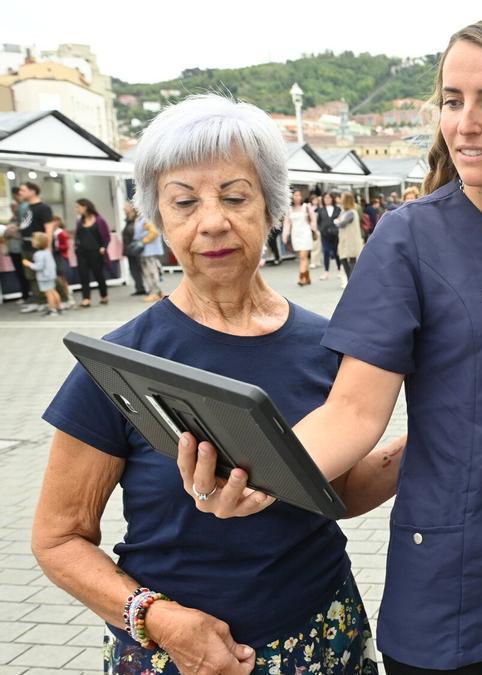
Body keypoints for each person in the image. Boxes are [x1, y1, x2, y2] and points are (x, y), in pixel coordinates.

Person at [180, 16, 482, 674]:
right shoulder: (410, 240)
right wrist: (260, 473)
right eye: (451, 101)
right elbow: (355, 411)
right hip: (451, 585)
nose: (464, 122)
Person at [32, 94, 388, 674]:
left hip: (323, 631)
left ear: (272, 207)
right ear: (160, 222)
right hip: (175, 651)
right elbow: (58, 540)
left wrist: (434, 441)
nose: (213, 221)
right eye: (184, 202)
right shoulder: (121, 360)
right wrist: (160, 620)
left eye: (234, 196)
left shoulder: (328, 345)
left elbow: (337, 494)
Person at [18, 181, 52, 308]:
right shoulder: (27, 208)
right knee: (31, 275)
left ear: (32, 191)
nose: (20, 193)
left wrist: (48, 248)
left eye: (23, 190)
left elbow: (49, 228)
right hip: (26, 245)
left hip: (39, 247)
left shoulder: (43, 208)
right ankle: (39, 300)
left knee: (44, 274)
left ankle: (51, 301)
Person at [74, 198, 112, 307]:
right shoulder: (79, 221)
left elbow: (106, 237)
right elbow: (77, 236)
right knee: (83, 276)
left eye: (78, 207)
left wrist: (103, 247)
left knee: (98, 275)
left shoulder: (99, 220)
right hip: (82, 253)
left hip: (96, 252)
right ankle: (86, 299)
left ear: (85, 206)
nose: (76, 209)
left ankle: (104, 296)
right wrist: (76, 247)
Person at [22, 231, 61, 316]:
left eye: (33, 240)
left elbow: (39, 267)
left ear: (37, 243)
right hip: (51, 275)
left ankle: (52, 309)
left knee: (48, 293)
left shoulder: (38, 254)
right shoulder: (48, 252)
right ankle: (58, 307)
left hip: (44, 277)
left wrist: (28, 264)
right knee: (53, 291)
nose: (32, 242)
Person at [282, 189, 316, 285]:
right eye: (296, 195)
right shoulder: (289, 210)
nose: (297, 197)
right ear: (292, 197)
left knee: (303, 257)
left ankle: (301, 278)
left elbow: (313, 220)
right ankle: (308, 278)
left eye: (299, 195)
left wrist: (313, 229)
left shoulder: (306, 207)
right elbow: (287, 224)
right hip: (295, 235)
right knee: (303, 257)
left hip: (305, 234)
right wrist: (285, 235)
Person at [133, 213, 164, 302]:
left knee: (151, 272)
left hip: (149, 251)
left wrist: (143, 241)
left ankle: (154, 293)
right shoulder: (140, 218)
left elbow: (154, 232)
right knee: (150, 272)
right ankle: (158, 292)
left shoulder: (145, 219)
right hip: (146, 251)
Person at [334, 192, 363, 283]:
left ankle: (352, 281)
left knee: (351, 260)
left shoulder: (351, 212)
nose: (340, 199)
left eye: (342, 197)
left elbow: (342, 223)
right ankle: (350, 279)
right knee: (343, 258)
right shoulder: (344, 211)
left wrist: (336, 222)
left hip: (351, 241)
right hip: (345, 240)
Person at [49, 216, 74, 310]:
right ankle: (64, 297)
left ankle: (68, 297)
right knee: (59, 278)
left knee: (62, 278)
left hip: (61, 257)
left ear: (58, 222)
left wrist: (56, 248)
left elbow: (65, 247)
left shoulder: (60, 233)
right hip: (55, 256)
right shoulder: (52, 233)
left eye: (54, 221)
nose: (53, 224)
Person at [122, 202, 147, 295]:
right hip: (130, 248)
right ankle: (139, 288)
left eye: (126, 207)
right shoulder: (128, 220)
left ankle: (149, 288)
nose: (123, 209)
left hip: (136, 248)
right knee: (133, 269)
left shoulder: (137, 220)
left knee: (141, 268)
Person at [314, 191, 341, 281]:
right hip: (324, 235)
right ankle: (326, 272)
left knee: (336, 252)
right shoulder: (321, 210)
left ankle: (339, 269)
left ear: (332, 199)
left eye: (329, 198)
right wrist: (321, 230)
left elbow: (340, 219)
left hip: (335, 234)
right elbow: (318, 222)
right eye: (325, 198)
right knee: (325, 252)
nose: (327, 200)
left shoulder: (337, 209)